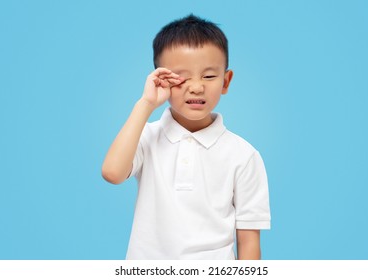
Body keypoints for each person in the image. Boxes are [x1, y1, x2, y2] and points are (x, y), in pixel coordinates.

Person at [102, 14, 271, 260]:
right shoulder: (145, 136)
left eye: (209, 76)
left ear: (226, 81)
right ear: (161, 79)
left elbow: (249, 242)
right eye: (181, 77)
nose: (196, 87)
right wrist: (146, 103)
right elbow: (112, 173)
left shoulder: (244, 155)